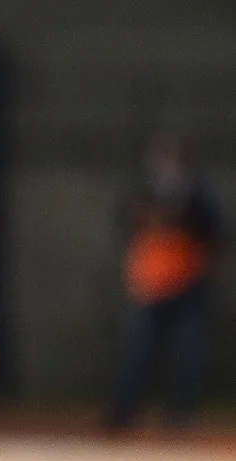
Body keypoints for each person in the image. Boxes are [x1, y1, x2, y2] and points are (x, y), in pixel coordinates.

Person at [108, 130, 222, 431]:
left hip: (187, 285)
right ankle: (124, 414)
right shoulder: (143, 193)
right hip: (150, 286)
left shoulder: (199, 196)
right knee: (138, 352)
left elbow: (213, 230)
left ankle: (182, 414)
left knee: (188, 353)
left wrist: (177, 216)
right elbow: (125, 222)